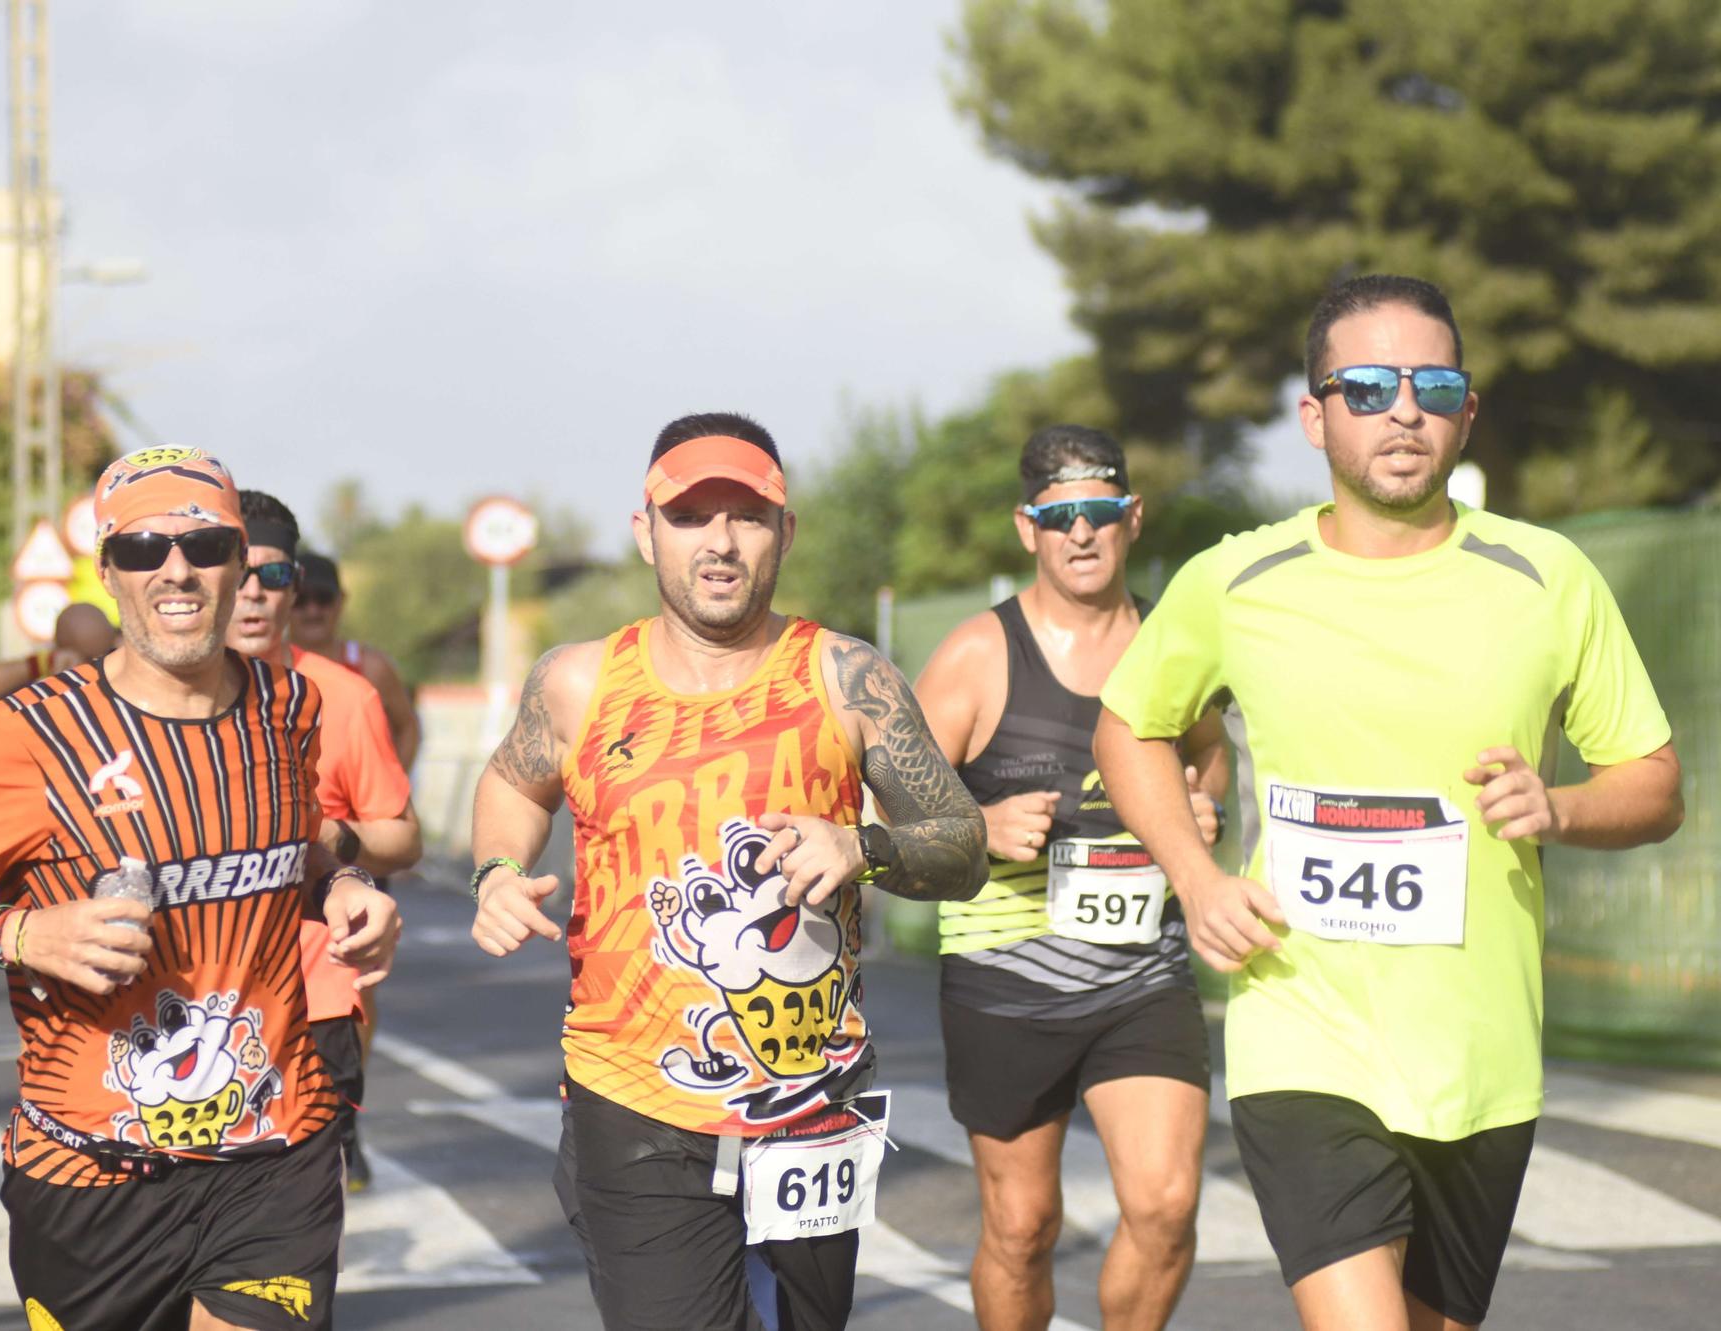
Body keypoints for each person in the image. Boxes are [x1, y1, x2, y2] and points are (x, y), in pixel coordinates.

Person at [1094, 274, 1684, 1331]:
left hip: (1479, 1053)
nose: (1401, 408)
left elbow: (1651, 782)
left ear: (1466, 411)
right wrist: (1194, 878)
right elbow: (1126, 722)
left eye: (1431, 382)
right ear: (1314, 415)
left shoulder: (1546, 576)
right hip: (1301, 1025)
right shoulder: (1237, 580)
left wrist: (1556, 806)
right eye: (1365, 385)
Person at [0, 446, 402, 1331]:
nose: (177, 569)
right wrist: (26, 935)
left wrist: (344, 883)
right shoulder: (25, 735)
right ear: (110, 573)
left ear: (240, 568)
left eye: (206, 546)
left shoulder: (290, 707)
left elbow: (291, 843)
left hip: (276, 1151)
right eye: (145, 549)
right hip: (90, 1176)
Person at [469, 412, 988, 1331]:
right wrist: (498, 871)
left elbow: (963, 843)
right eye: (690, 515)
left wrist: (860, 847)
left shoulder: (845, 677)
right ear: (646, 532)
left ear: (784, 532)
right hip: (632, 1094)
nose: (719, 541)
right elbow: (514, 782)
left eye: (746, 516)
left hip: (812, 1102)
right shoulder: (578, 682)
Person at [912, 425, 1226, 1331]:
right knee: (1022, 1225)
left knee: (1166, 1208)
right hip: (1006, 974)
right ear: (1028, 529)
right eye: (1060, 518)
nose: (1080, 534)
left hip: (1143, 970)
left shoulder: (1172, 641)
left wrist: (1203, 805)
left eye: (1097, 513)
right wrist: (978, 827)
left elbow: (1208, 752)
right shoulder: (980, 652)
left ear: (1132, 518)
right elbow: (893, 808)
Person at [227, 489, 421, 1190]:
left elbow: (403, 838)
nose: (254, 595)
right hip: (194, 998)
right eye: (239, 572)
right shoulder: (154, 697)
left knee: (297, 1227)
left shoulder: (345, 695)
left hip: (315, 993)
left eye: (275, 577)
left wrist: (332, 837)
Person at [290, 551, 422, 769]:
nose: (312, 610)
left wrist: (390, 788)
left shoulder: (372, 668)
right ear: (285, 599)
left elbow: (409, 728)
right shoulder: (266, 668)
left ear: (341, 600)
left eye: (323, 598)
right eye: (301, 600)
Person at [0, 603, 120, 715]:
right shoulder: (40, 681)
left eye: (100, 657)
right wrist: (40, 664)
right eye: (86, 659)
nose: (91, 667)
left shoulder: (121, 673)